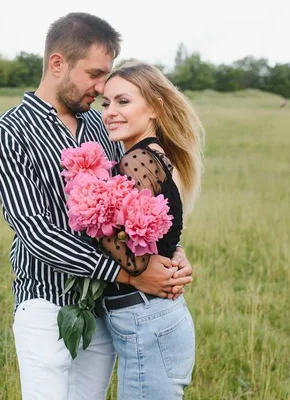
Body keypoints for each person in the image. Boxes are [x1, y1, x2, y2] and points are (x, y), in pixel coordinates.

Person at [0, 13, 194, 400]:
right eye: (95, 74)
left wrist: (172, 251)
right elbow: (35, 230)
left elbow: (136, 199)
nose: (101, 90)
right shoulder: (8, 131)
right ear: (58, 64)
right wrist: (130, 275)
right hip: (45, 302)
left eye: (107, 77)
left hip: (100, 305)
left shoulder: (100, 124)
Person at [99, 61, 204, 399]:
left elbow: (130, 256)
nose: (110, 112)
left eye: (123, 102)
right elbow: (164, 236)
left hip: (146, 317)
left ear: (155, 107)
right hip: (156, 316)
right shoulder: (157, 156)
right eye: (106, 103)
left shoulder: (137, 162)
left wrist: (88, 206)